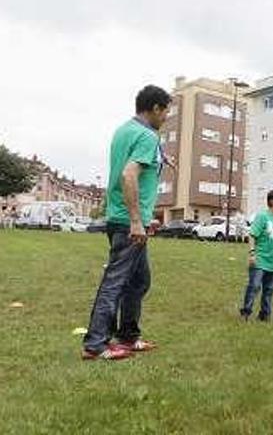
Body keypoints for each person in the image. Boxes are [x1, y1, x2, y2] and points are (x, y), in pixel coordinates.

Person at [81, 85, 171, 361]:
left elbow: (132, 162)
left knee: (139, 280)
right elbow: (129, 175)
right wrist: (136, 221)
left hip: (120, 217)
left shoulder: (124, 130)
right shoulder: (147, 136)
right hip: (128, 221)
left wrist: (163, 158)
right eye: (166, 110)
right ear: (155, 108)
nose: (166, 116)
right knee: (116, 281)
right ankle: (96, 344)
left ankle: (128, 337)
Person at [240, 189, 273, 322]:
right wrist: (252, 254)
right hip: (260, 259)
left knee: (269, 290)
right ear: (271, 201)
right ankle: (246, 312)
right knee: (254, 286)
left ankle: (264, 315)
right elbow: (252, 235)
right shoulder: (262, 216)